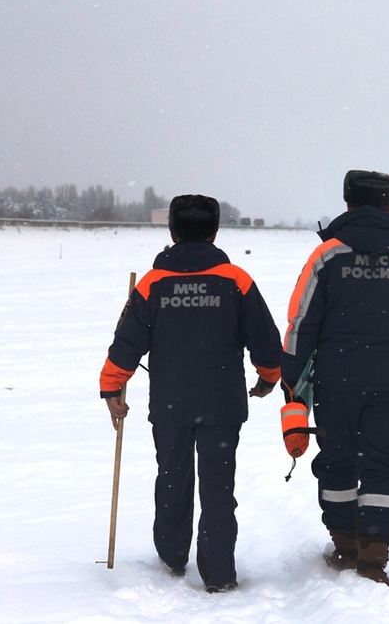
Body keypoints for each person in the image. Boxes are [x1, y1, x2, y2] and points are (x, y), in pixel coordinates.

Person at [99, 194, 282, 593]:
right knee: (218, 487)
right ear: (215, 233)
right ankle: (218, 572)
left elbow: (126, 342)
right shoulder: (237, 280)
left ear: (172, 231)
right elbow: (266, 342)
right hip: (221, 405)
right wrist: (268, 377)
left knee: (172, 478)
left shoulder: (154, 283)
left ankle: (171, 554)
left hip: (171, 405)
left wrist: (112, 385)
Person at [280, 170, 389, 587]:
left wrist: (292, 381)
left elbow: (301, 323)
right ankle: (374, 557)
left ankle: (345, 544)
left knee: (337, 463)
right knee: (381, 467)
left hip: (337, 381)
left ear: (347, 202)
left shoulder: (327, 256)